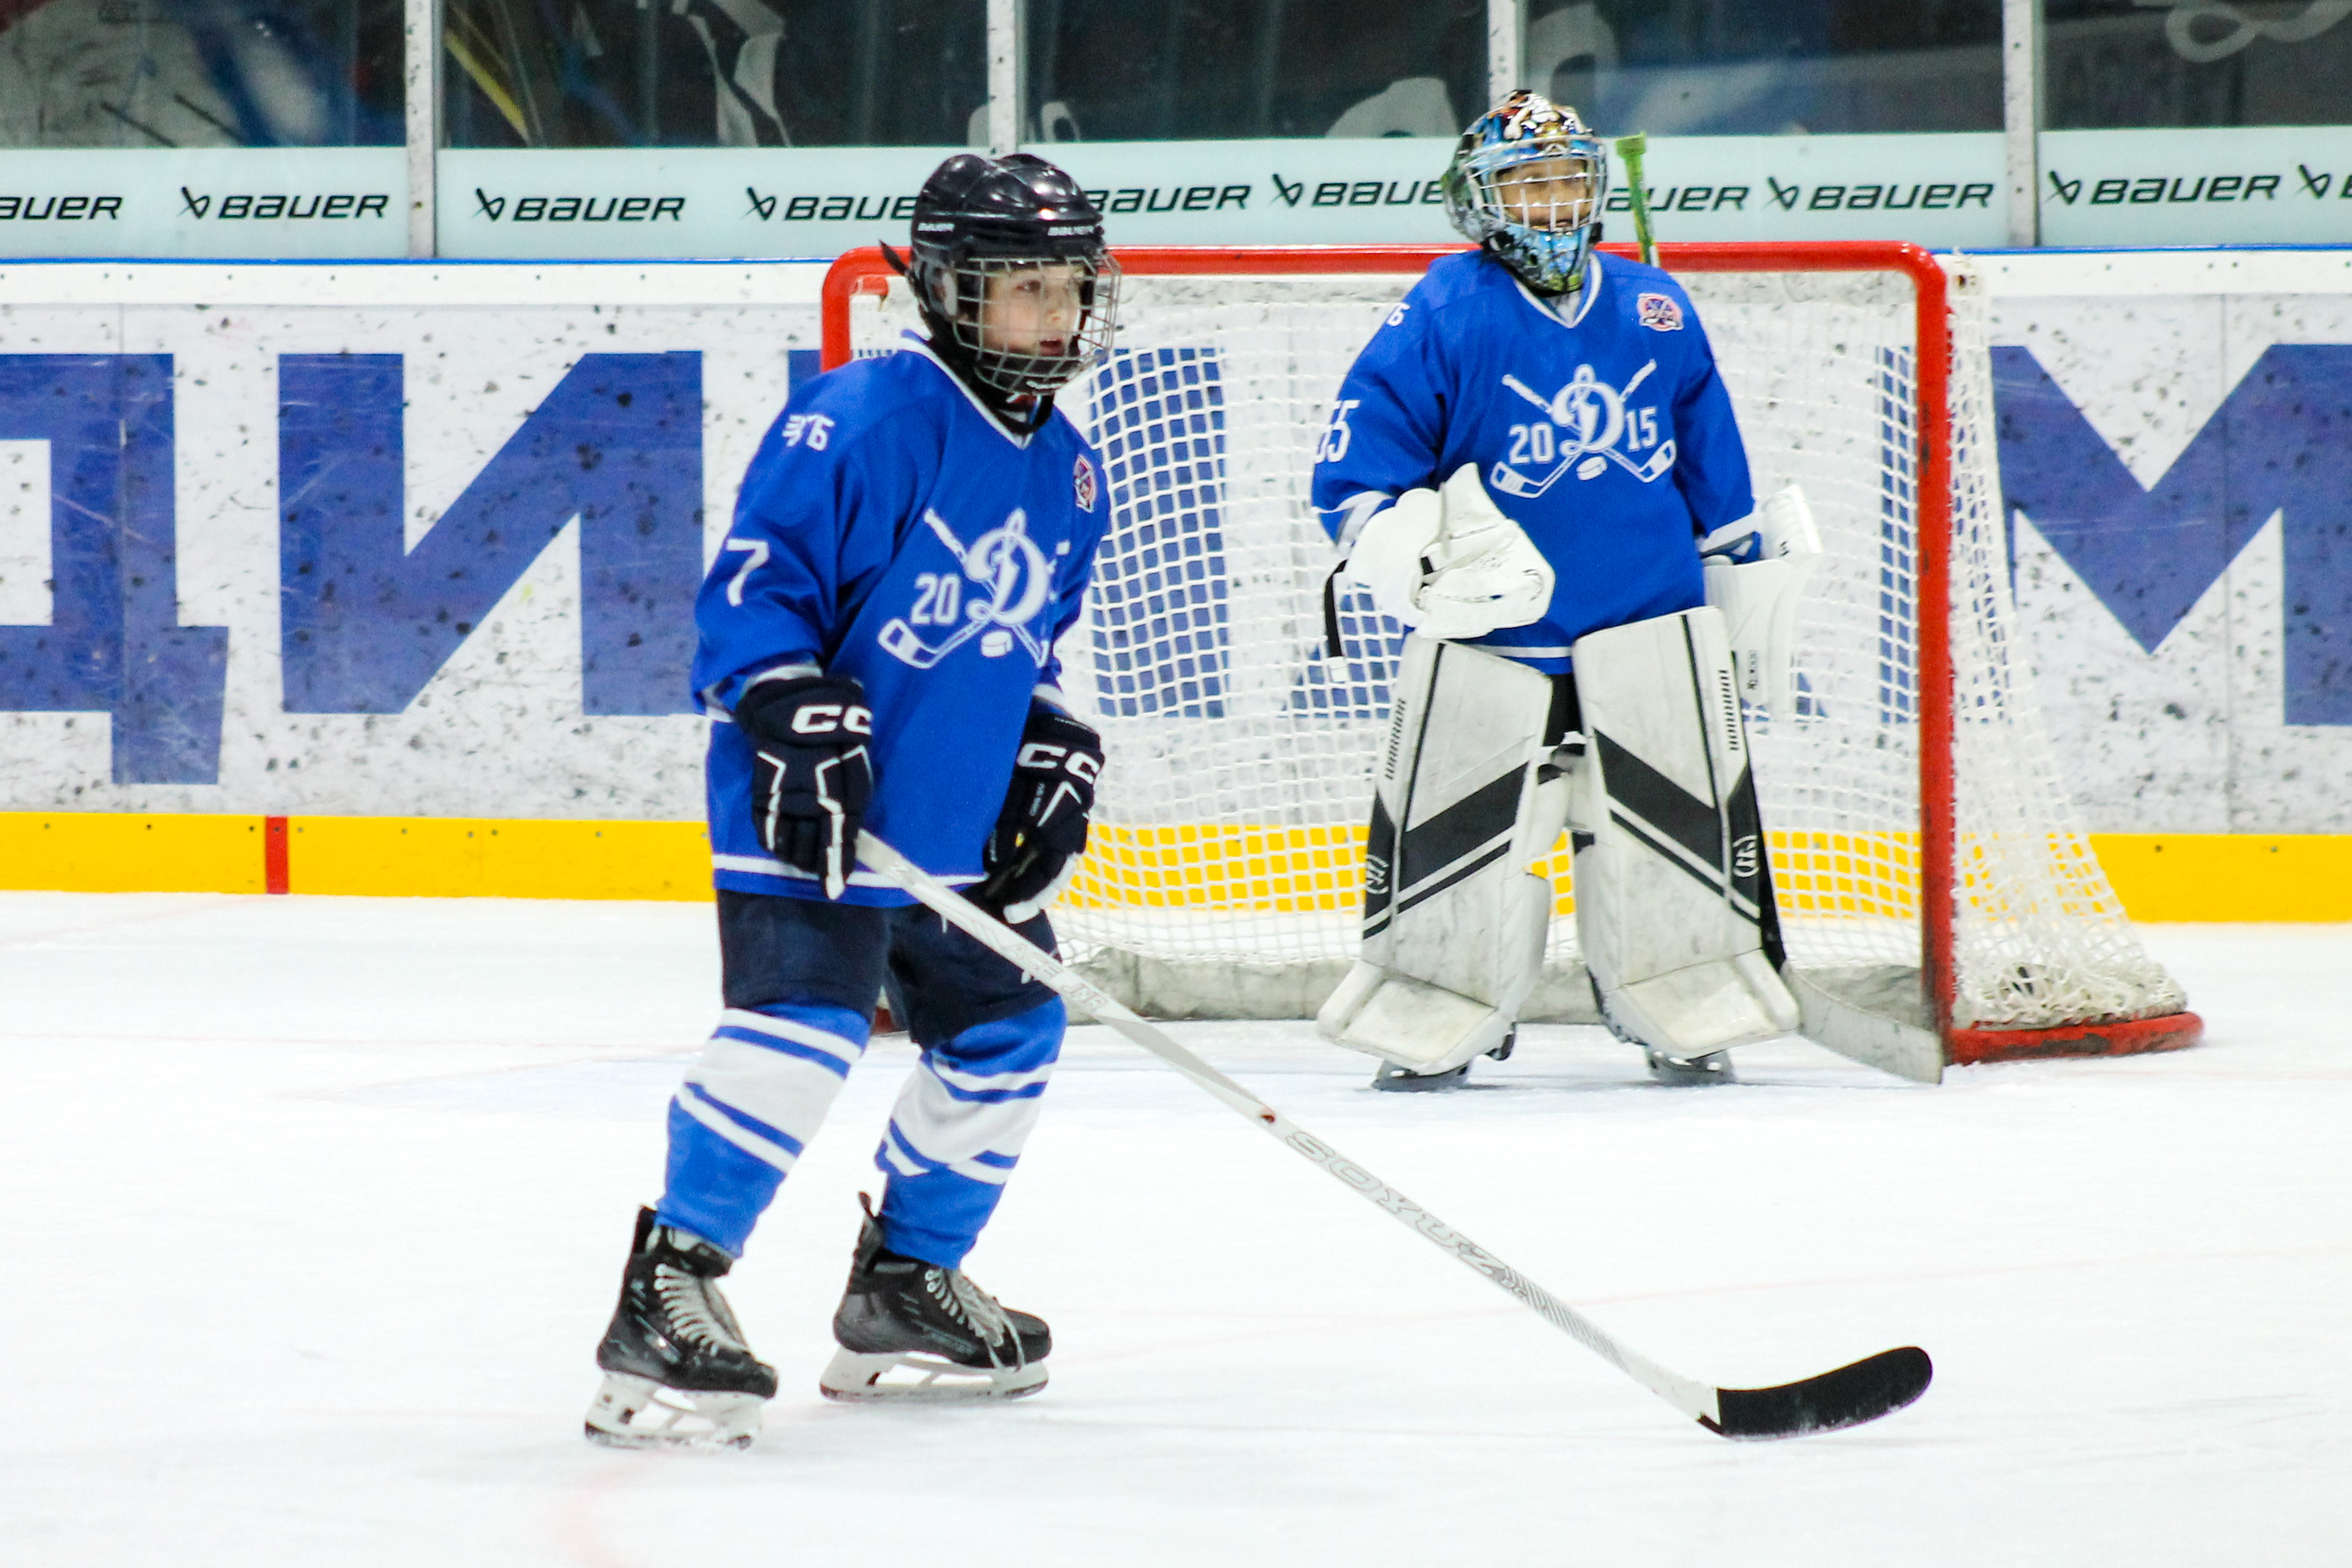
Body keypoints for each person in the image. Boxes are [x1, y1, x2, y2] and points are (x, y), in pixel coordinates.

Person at [585, 152, 1119, 1449]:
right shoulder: (864, 417)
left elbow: (1026, 642)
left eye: (1066, 287)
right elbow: (753, 592)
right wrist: (787, 702)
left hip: (944, 828)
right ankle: (671, 1283)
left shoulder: (1073, 471)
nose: (1051, 316)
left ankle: (901, 1285)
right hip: (814, 808)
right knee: (803, 1033)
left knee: (1013, 1032)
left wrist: (1049, 743)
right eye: (1019, 288)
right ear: (945, 289)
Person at [1311, 89, 1807, 1091]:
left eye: (1568, 180)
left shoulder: (1656, 308)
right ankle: (1438, 1003)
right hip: (1499, 644)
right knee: (1453, 845)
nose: (1551, 203)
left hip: (1649, 624)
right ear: (1479, 201)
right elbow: (1356, 472)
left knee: (1674, 837)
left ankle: (1681, 995)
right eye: (1527, 183)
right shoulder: (1444, 312)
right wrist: (1400, 545)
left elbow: (1717, 476)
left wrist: (1743, 593)